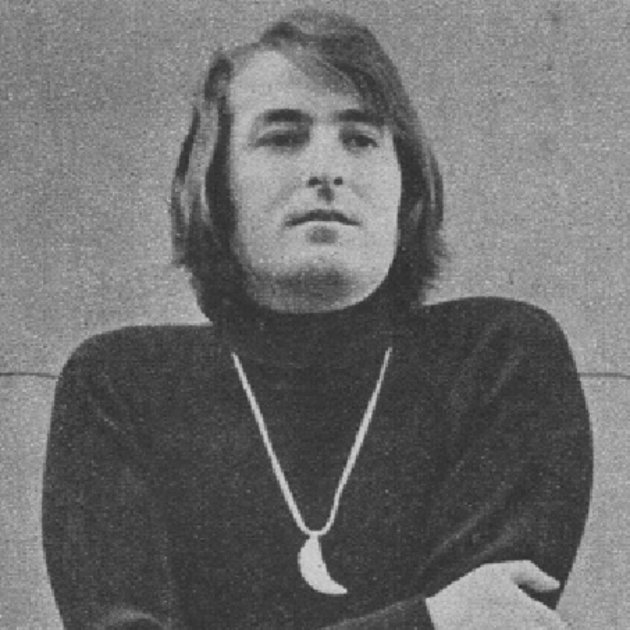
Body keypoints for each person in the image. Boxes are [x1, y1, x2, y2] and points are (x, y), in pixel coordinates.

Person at [42, 9, 592, 629]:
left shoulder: (500, 359)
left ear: (406, 188)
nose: (327, 170)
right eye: (283, 137)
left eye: (360, 138)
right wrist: (428, 620)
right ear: (217, 186)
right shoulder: (122, 384)